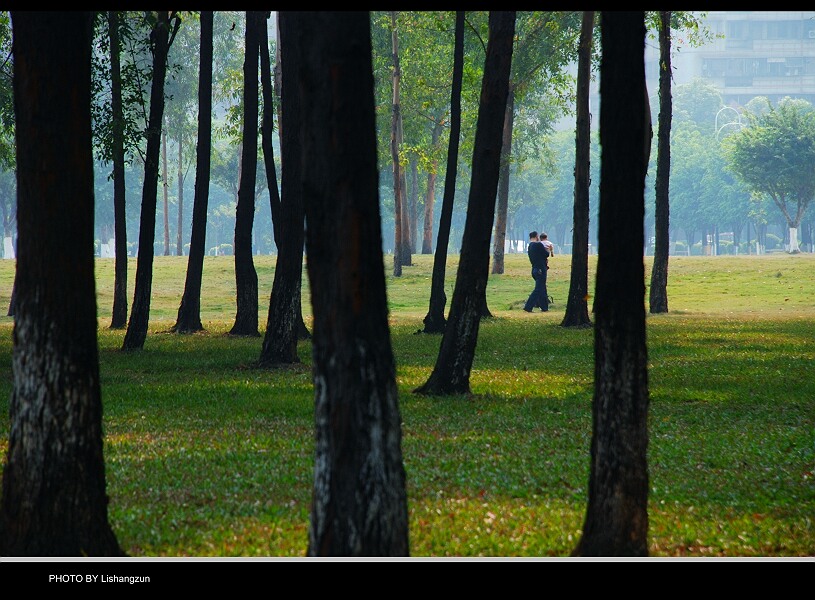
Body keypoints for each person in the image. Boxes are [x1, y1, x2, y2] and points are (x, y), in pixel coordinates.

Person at [523, 231, 549, 312]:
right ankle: (528, 306)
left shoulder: (530, 246)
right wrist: (548, 249)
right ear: (536, 236)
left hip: (534, 269)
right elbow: (546, 254)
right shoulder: (538, 245)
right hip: (540, 269)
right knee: (538, 289)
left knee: (542, 288)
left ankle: (544, 307)